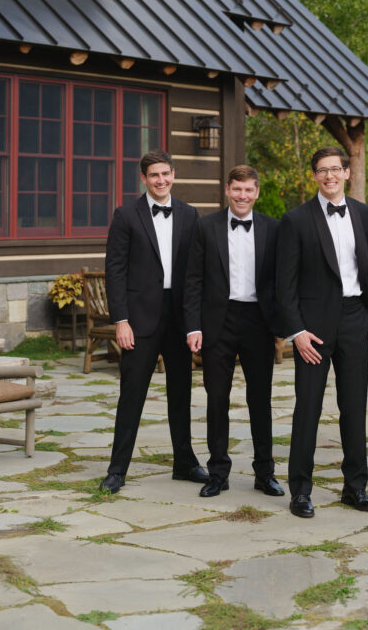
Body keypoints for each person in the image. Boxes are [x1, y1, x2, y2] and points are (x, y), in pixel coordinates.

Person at [276, 146, 368, 518]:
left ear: (347, 173)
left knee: (354, 408)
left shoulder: (365, 214)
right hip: (314, 328)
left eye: (336, 169)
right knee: (308, 408)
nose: (330, 176)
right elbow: (283, 285)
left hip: (356, 318)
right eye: (323, 170)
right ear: (315, 175)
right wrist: (297, 332)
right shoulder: (296, 220)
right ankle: (300, 492)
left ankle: (355, 488)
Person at [100, 150, 206, 494]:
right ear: (144, 179)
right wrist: (121, 320)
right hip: (139, 318)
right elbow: (114, 271)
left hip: (178, 318)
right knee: (131, 395)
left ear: (174, 174)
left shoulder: (190, 215)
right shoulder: (126, 215)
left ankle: (185, 463)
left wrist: (195, 323)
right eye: (154, 175)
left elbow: (195, 273)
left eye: (166, 174)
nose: (161, 180)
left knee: (181, 393)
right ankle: (117, 470)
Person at [184, 165, 284, 499]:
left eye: (249, 190)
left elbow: (283, 280)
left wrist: (284, 325)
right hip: (217, 321)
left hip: (258, 321)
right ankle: (218, 473)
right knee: (216, 399)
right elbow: (193, 280)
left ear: (257, 192)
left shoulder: (273, 228)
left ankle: (264, 472)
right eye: (237, 189)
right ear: (227, 190)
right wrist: (193, 325)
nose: (243, 196)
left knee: (261, 399)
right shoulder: (205, 226)